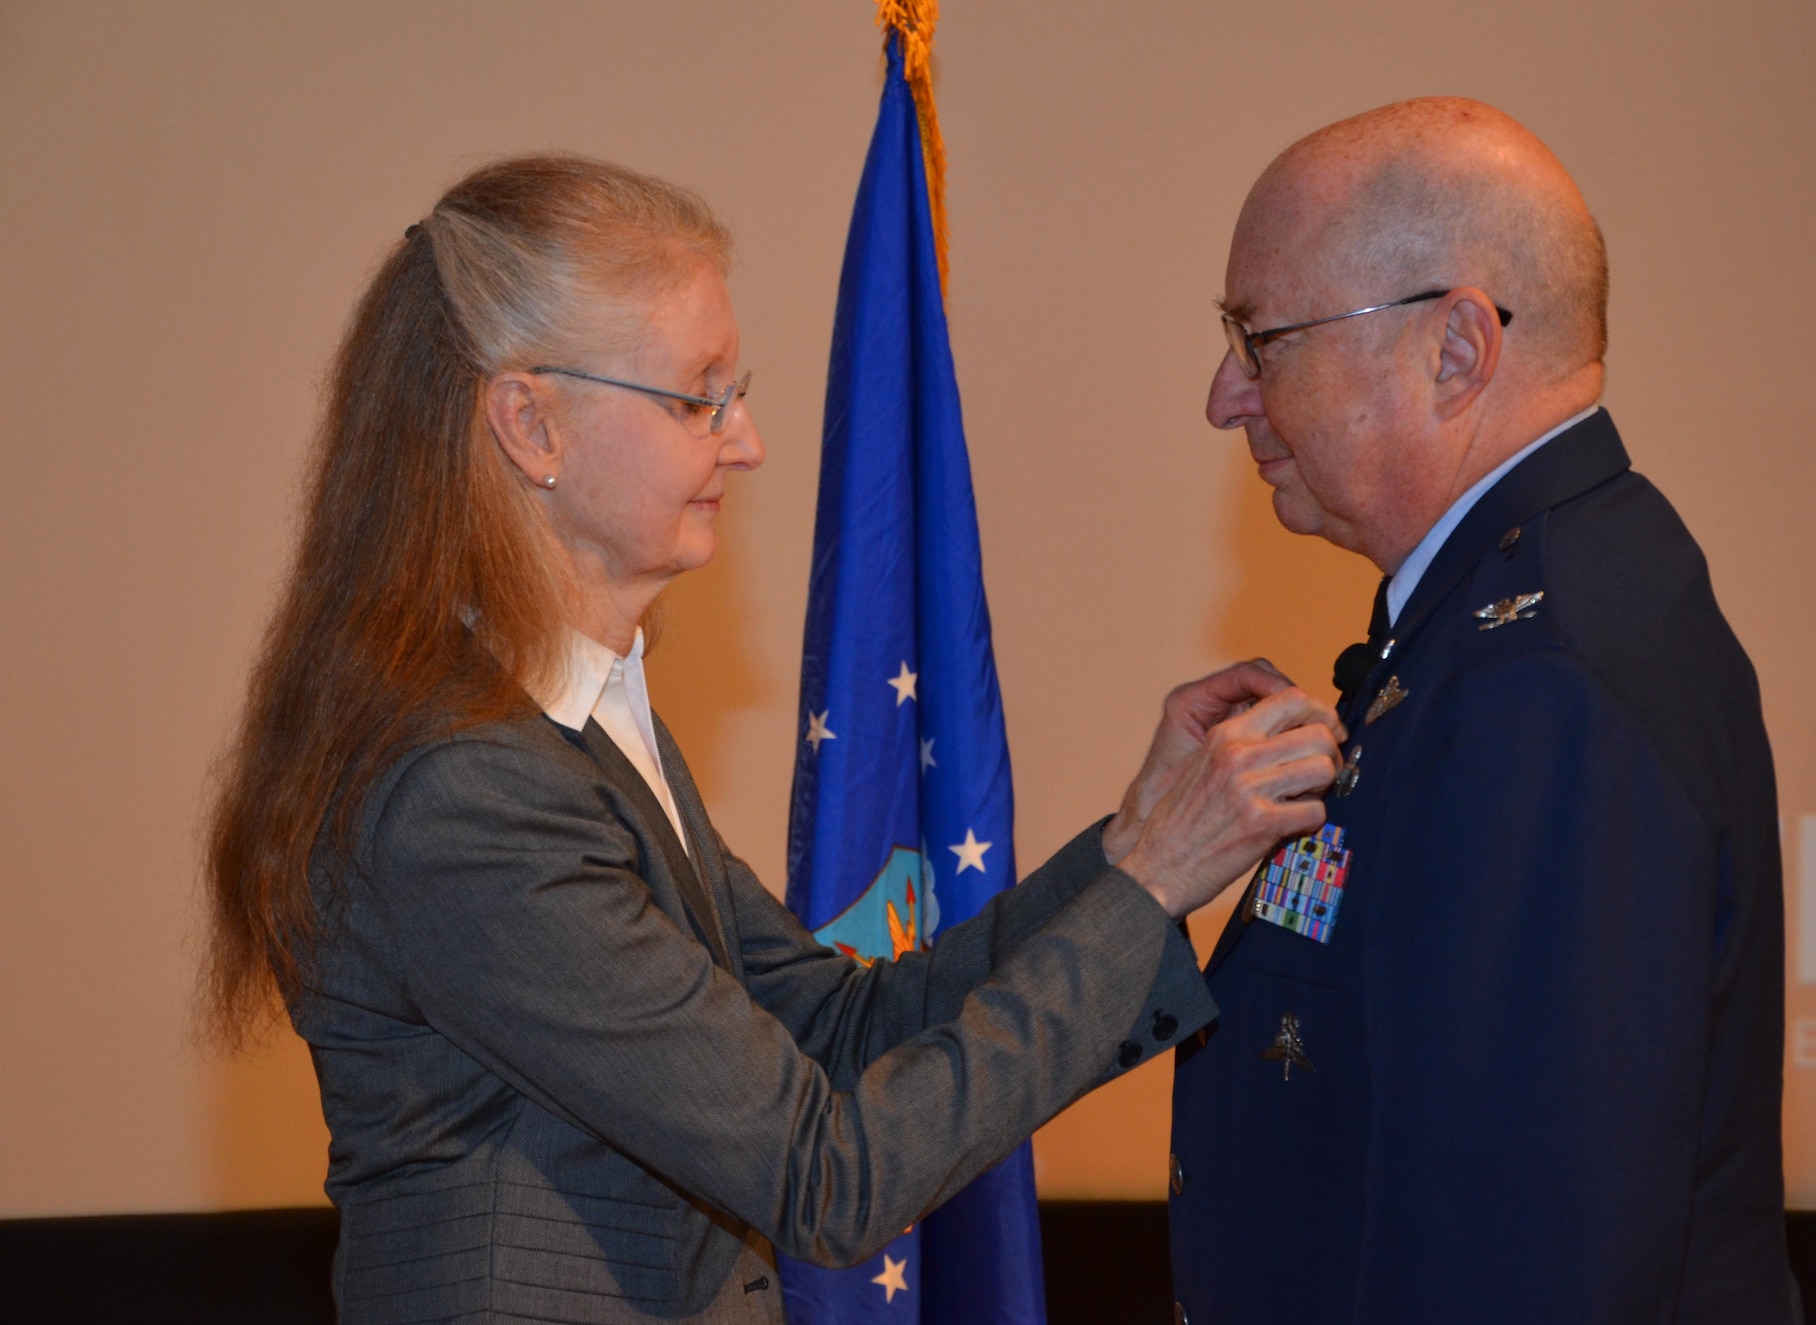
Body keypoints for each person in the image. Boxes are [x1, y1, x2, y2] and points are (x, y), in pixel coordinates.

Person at [201, 154, 1344, 1324]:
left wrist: (1129, 852)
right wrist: (1148, 887)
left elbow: (835, 1028)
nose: (743, 441)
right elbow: (824, 1171)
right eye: (696, 396)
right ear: (528, 422)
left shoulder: (577, 729)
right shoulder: (467, 786)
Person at [1168, 99, 1795, 1322]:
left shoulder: (1539, 681)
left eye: (1262, 340)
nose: (1224, 397)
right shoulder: (1513, 597)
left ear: (1456, 349)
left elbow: (1515, 1259)